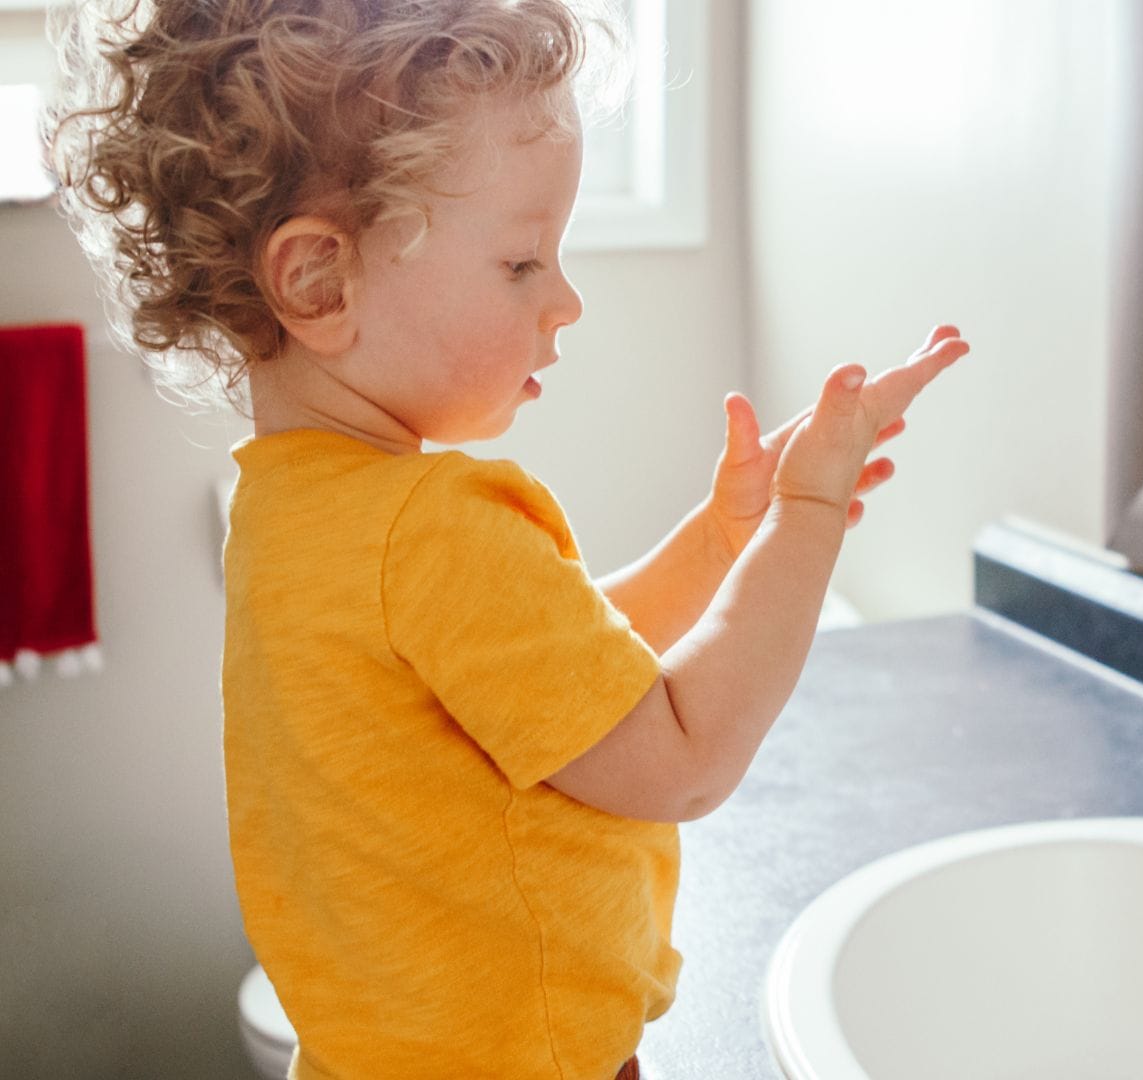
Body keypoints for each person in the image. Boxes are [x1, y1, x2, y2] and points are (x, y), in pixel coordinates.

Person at [45, 2, 968, 1076]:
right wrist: (806, 520)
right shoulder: (432, 527)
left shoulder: (296, 510)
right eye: (524, 262)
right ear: (319, 282)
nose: (565, 301)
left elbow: (551, 676)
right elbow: (680, 761)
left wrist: (722, 541)